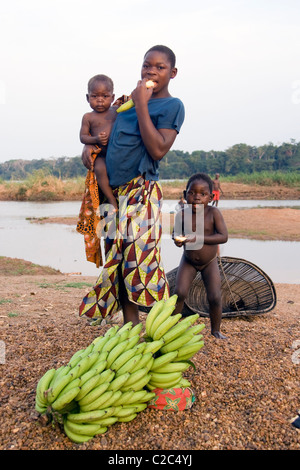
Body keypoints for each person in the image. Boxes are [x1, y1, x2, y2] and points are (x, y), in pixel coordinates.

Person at [79, 45, 185, 326]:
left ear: (172, 73)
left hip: (141, 191)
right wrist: (89, 152)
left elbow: (158, 149)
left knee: (142, 261)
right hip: (111, 194)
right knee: (118, 260)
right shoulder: (124, 104)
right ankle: (130, 329)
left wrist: (141, 104)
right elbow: (101, 137)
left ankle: (161, 330)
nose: (151, 70)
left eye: (159, 67)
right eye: (146, 65)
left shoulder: (171, 106)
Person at [172, 172, 228, 339]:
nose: (197, 197)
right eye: (192, 193)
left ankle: (216, 330)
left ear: (210, 197)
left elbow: (223, 236)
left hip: (209, 262)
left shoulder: (213, 213)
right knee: (179, 293)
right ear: (185, 194)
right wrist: (178, 240)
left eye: (202, 194)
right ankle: (171, 327)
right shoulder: (181, 214)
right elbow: (175, 234)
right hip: (189, 261)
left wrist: (200, 238)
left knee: (215, 296)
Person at [79, 74, 118, 212]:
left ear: (112, 98)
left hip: (116, 154)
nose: (100, 101)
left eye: (105, 96)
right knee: (100, 169)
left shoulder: (117, 111)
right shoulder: (88, 117)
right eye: (95, 96)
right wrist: (95, 139)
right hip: (101, 154)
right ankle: (111, 199)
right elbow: (83, 137)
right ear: (87, 97)